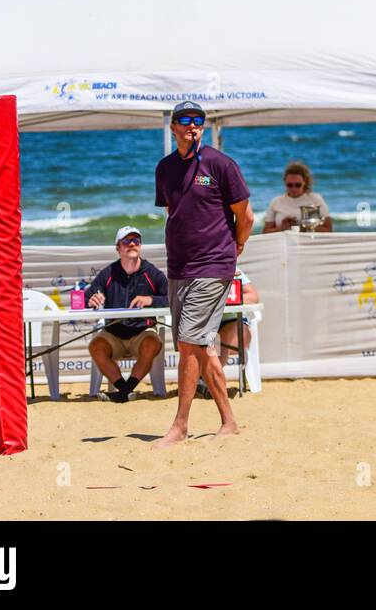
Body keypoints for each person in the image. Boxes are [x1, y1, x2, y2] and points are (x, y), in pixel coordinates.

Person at [152, 100, 254, 447]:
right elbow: (174, 210)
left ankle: (180, 426)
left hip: (213, 265)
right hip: (179, 266)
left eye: (198, 121)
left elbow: (247, 216)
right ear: (174, 128)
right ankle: (229, 421)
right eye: (185, 121)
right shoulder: (165, 168)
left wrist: (235, 248)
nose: (192, 126)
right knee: (201, 347)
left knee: (187, 343)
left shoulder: (220, 164)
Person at [86, 226, 168, 402]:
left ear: (140, 245)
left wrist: (150, 300)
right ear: (118, 248)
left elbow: (172, 297)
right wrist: (92, 298)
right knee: (95, 347)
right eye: (126, 241)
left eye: (136, 240)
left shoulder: (151, 272)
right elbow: (88, 294)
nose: (132, 244)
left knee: (151, 344)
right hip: (113, 332)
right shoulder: (108, 272)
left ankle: (123, 392)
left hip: (142, 332)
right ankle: (124, 390)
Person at [262, 161, 332, 233]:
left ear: (305, 182)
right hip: (283, 243)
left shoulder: (316, 199)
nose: (293, 188)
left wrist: (303, 226)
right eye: (290, 185)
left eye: (298, 185)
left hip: (309, 242)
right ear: (284, 182)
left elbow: (328, 230)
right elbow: (265, 232)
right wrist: (281, 228)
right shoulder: (276, 201)